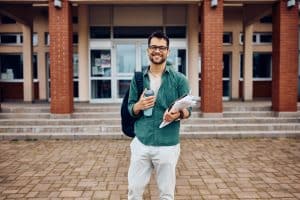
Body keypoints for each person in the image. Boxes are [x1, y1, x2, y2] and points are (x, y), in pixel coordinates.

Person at [127, 31, 191, 200]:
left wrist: (177, 114)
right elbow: (129, 108)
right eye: (154, 47)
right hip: (141, 142)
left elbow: (187, 110)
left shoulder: (180, 79)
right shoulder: (138, 78)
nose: (157, 51)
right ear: (148, 50)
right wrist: (138, 106)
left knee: (166, 194)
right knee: (134, 191)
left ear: (168, 51)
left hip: (167, 145)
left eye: (162, 48)